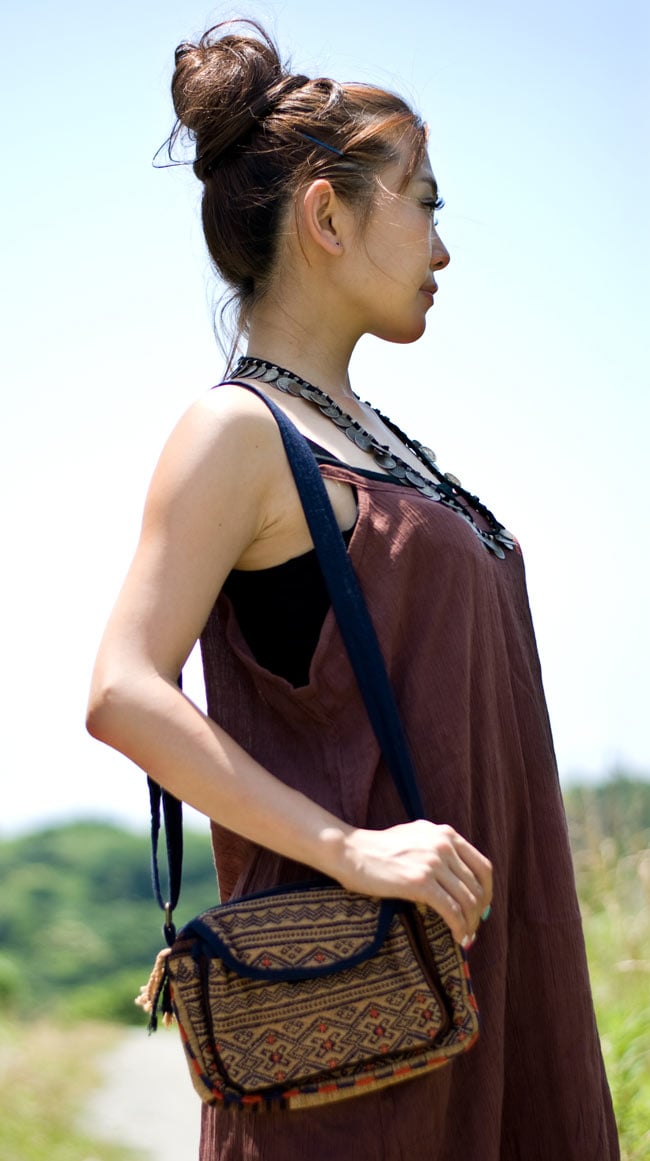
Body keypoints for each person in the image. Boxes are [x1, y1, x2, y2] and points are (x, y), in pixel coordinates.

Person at [87, 20, 619, 1161]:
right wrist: (350, 847)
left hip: (494, 976)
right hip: (363, 1021)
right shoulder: (238, 432)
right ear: (327, 217)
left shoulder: (380, 440)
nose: (443, 246)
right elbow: (122, 690)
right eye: (424, 203)